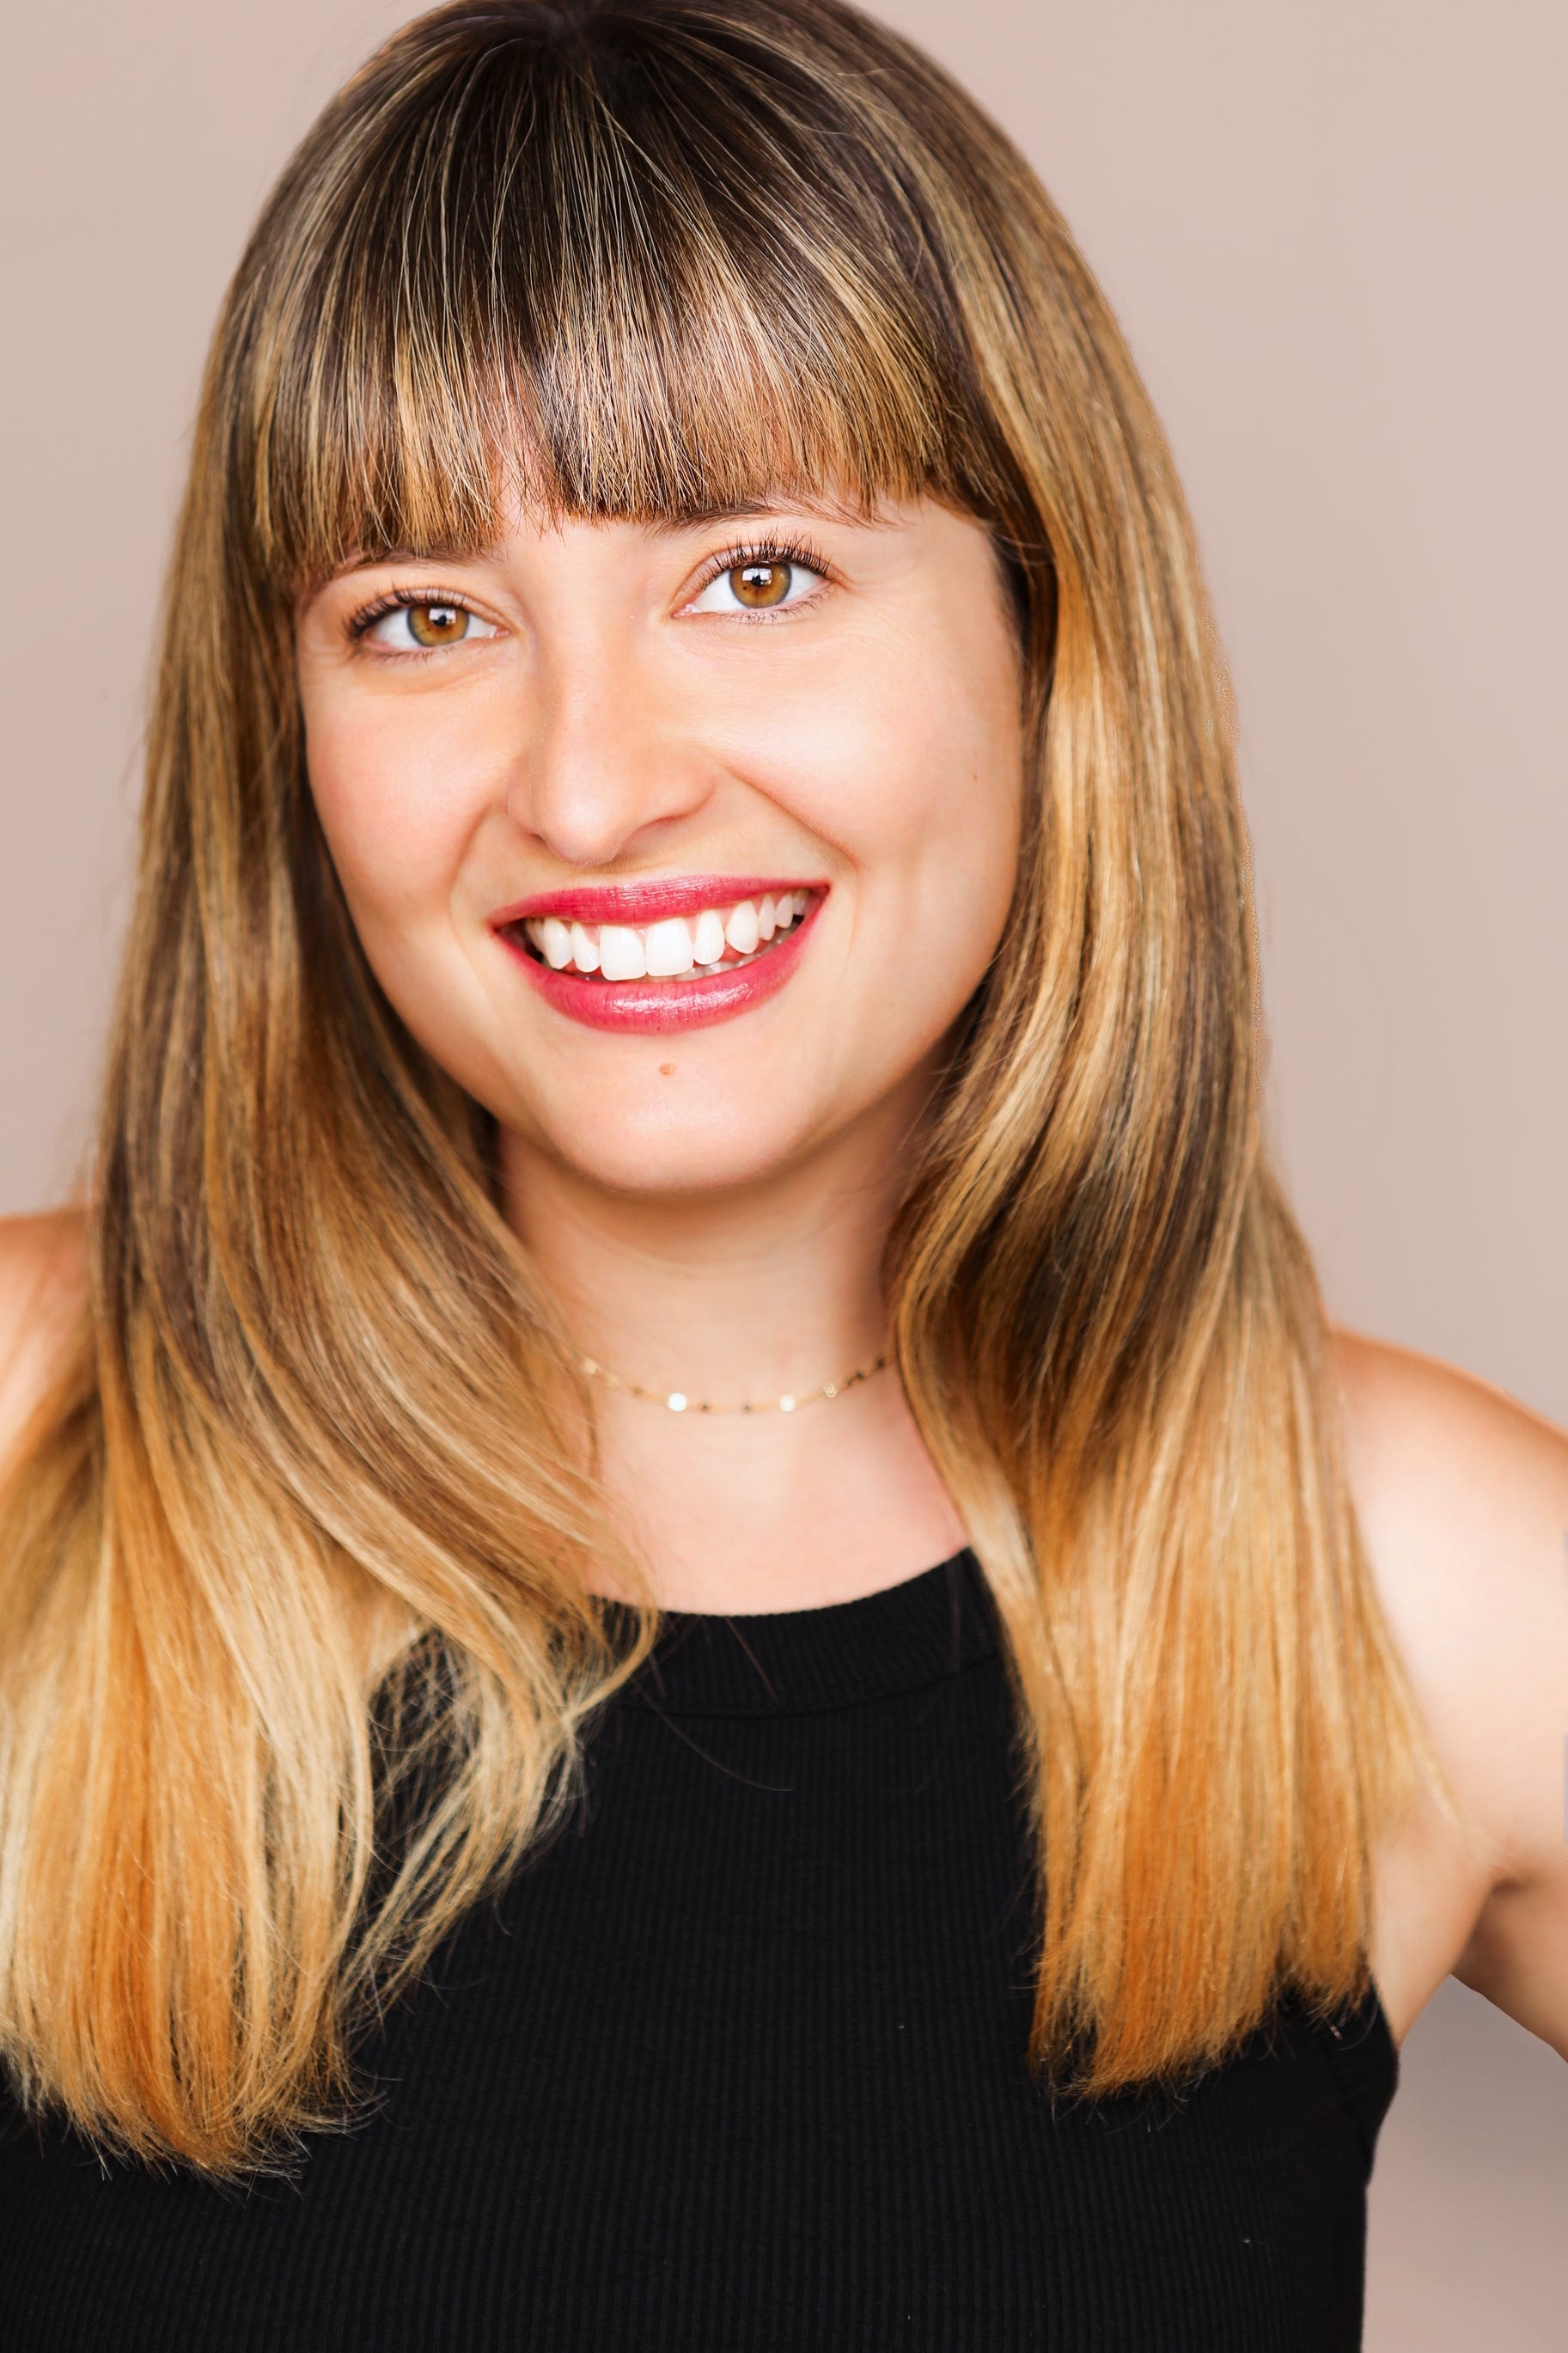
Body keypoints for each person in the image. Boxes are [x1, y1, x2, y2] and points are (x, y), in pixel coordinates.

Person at [0, 0, 1561, 2344]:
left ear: (1046, 639)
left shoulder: (1401, 1573)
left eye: (753, 573)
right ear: (288, 740)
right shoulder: (24, 1438)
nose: (593, 782)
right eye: (421, 616)